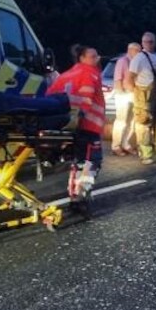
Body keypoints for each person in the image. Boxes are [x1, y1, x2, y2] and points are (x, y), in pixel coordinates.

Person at [47, 44, 107, 197]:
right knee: (91, 162)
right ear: (82, 58)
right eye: (93, 56)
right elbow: (86, 99)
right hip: (87, 126)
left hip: (68, 125)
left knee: (79, 161)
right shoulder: (90, 73)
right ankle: (80, 195)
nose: (97, 59)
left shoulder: (66, 74)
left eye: (97, 55)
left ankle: (75, 192)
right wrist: (79, 116)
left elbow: (50, 96)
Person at [128, 31, 156, 164]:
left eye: (151, 42)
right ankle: (146, 154)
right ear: (142, 43)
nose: (149, 44)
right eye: (146, 42)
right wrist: (136, 95)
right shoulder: (139, 58)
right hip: (143, 94)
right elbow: (130, 77)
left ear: (155, 42)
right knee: (144, 123)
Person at [110, 42, 142, 156]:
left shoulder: (136, 62)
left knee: (132, 121)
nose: (139, 53)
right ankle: (116, 145)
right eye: (137, 51)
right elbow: (117, 78)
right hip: (123, 94)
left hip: (133, 93)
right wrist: (120, 91)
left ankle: (126, 143)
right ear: (131, 50)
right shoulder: (122, 61)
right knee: (121, 120)